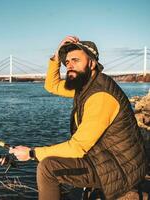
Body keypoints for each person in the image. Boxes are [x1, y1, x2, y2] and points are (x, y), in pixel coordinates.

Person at [9, 36, 148, 200]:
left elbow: (77, 148)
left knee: (48, 168)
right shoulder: (84, 85)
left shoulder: (100, 95)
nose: (69, 66)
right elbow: (51, 85)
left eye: (75, 60)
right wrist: (55, 57)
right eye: (66, 62)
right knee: (56, 158)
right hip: (108, 158)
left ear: (92, 63)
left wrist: (32, 153)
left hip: (121, 168)